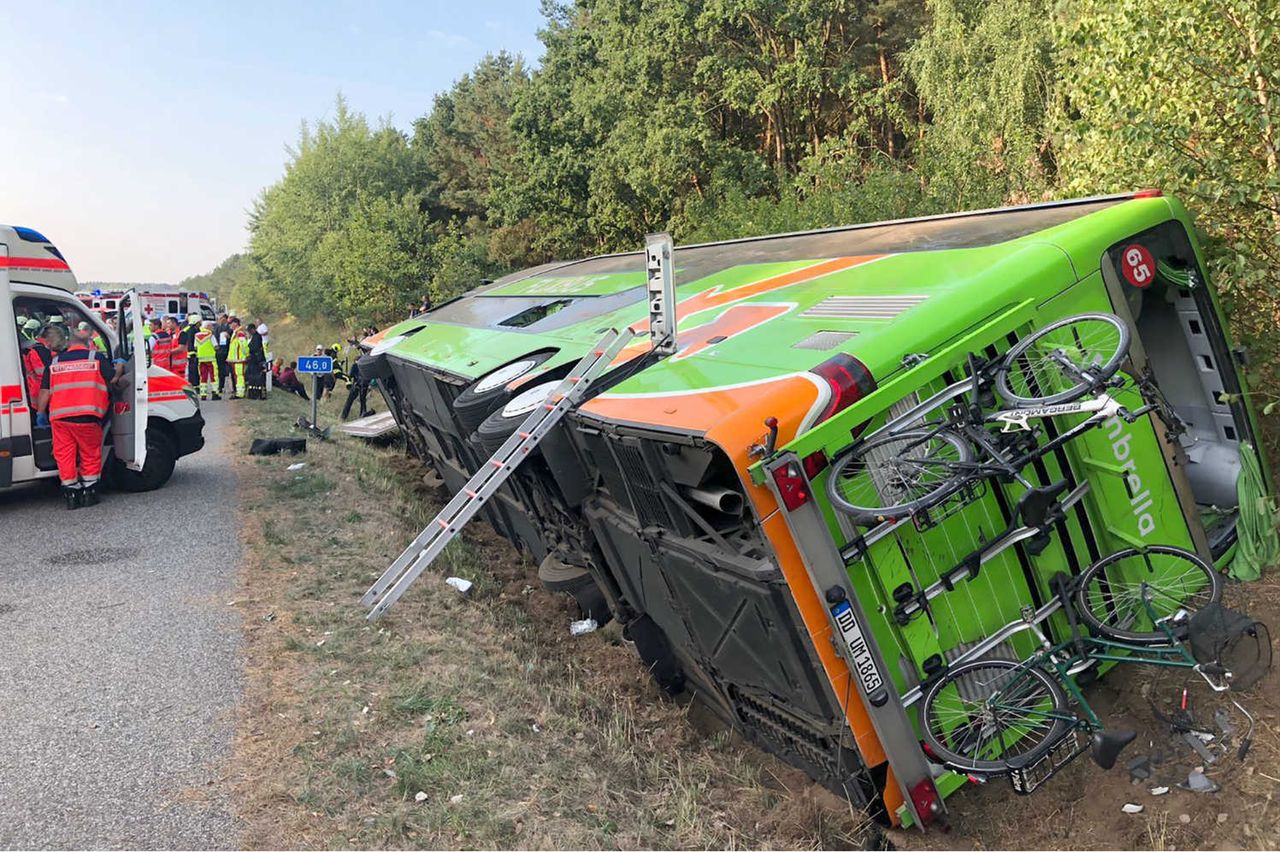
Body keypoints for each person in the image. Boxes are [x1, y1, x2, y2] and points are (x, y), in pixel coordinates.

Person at [37, 328, 112, 509]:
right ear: (87, 345)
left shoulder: (54, 362)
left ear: (68, 344)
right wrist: (120, 366)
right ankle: (89, 492)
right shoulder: (96, 358)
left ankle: (71, 493)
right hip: (88, 416)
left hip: (60, 418)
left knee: (64, 455)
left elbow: (45, 391)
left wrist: (40, 412)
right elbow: (113, 380)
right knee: (90, 453)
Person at [22, 323, 60, 427]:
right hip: (40, 396)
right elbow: (47, 376)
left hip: (34, 393)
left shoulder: (32, 348)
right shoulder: (41, 351)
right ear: (51, 338)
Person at [340, 355, 375, 420]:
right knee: (363, 401)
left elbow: (351, 375)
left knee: (349, 401)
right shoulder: (365, 366)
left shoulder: (355, 365)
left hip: (356, 385)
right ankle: (362, 413)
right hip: (364, 385)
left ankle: (344, 416)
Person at [194, 320, 219, 400]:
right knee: (213, 377)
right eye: (211, 326)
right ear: (207, 327)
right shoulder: (210, 335)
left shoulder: (197, 335)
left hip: (201, 360)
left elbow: (195, 347)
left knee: (203, 377)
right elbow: (216, 346)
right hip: (211, 359)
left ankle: (203, 394)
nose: (212, 328)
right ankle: (215, 393)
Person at [226, 319, 249, 399]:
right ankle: (239, 392)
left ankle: (240, 393)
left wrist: (246, 355)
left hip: (239, 359)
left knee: (239, 376)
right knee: (237, 376)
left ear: (235, 324)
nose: (229, 326)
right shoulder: (236, 332)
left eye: (230, 324)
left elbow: (243, 345)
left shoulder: (240, 333)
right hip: (235, 359)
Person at [179, 312, 201, 387]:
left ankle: (195, 385)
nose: (200, 324)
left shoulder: (193, 329)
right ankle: (194, 385)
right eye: (199, 322)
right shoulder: (191, 330)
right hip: (191, 354)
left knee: (194, 371)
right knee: (193, 371)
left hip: (192, 353)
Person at [245, 323, 266, 399]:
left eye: (249, 331)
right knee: (250, 375)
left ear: (253, 329)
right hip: (253, 360)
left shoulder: (257, 337)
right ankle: (252, 392)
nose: (249, 332)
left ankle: (255, 393)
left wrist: (248, 349)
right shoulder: (253, 337)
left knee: (255, 376)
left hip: (256, 360)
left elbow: (254, 348)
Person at [213, 313, 231, 397]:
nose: (220, 319)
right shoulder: (216, 327)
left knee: (228, 370)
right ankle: (220, 386)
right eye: (219, 318)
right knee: (220, 370)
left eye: (221, 318)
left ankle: (230, 387)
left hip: (227, 351)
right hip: (219, 351)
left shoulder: (228, 327)